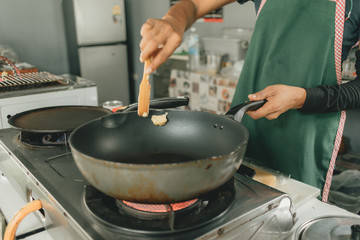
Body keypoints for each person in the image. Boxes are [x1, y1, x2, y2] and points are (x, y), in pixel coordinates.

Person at [139, 0, 360, 201]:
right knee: (239, 199)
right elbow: (195, 5)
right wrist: (174, 20)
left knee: (292, 208)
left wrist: (301, 98)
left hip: (307, 133)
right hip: (250, 118)